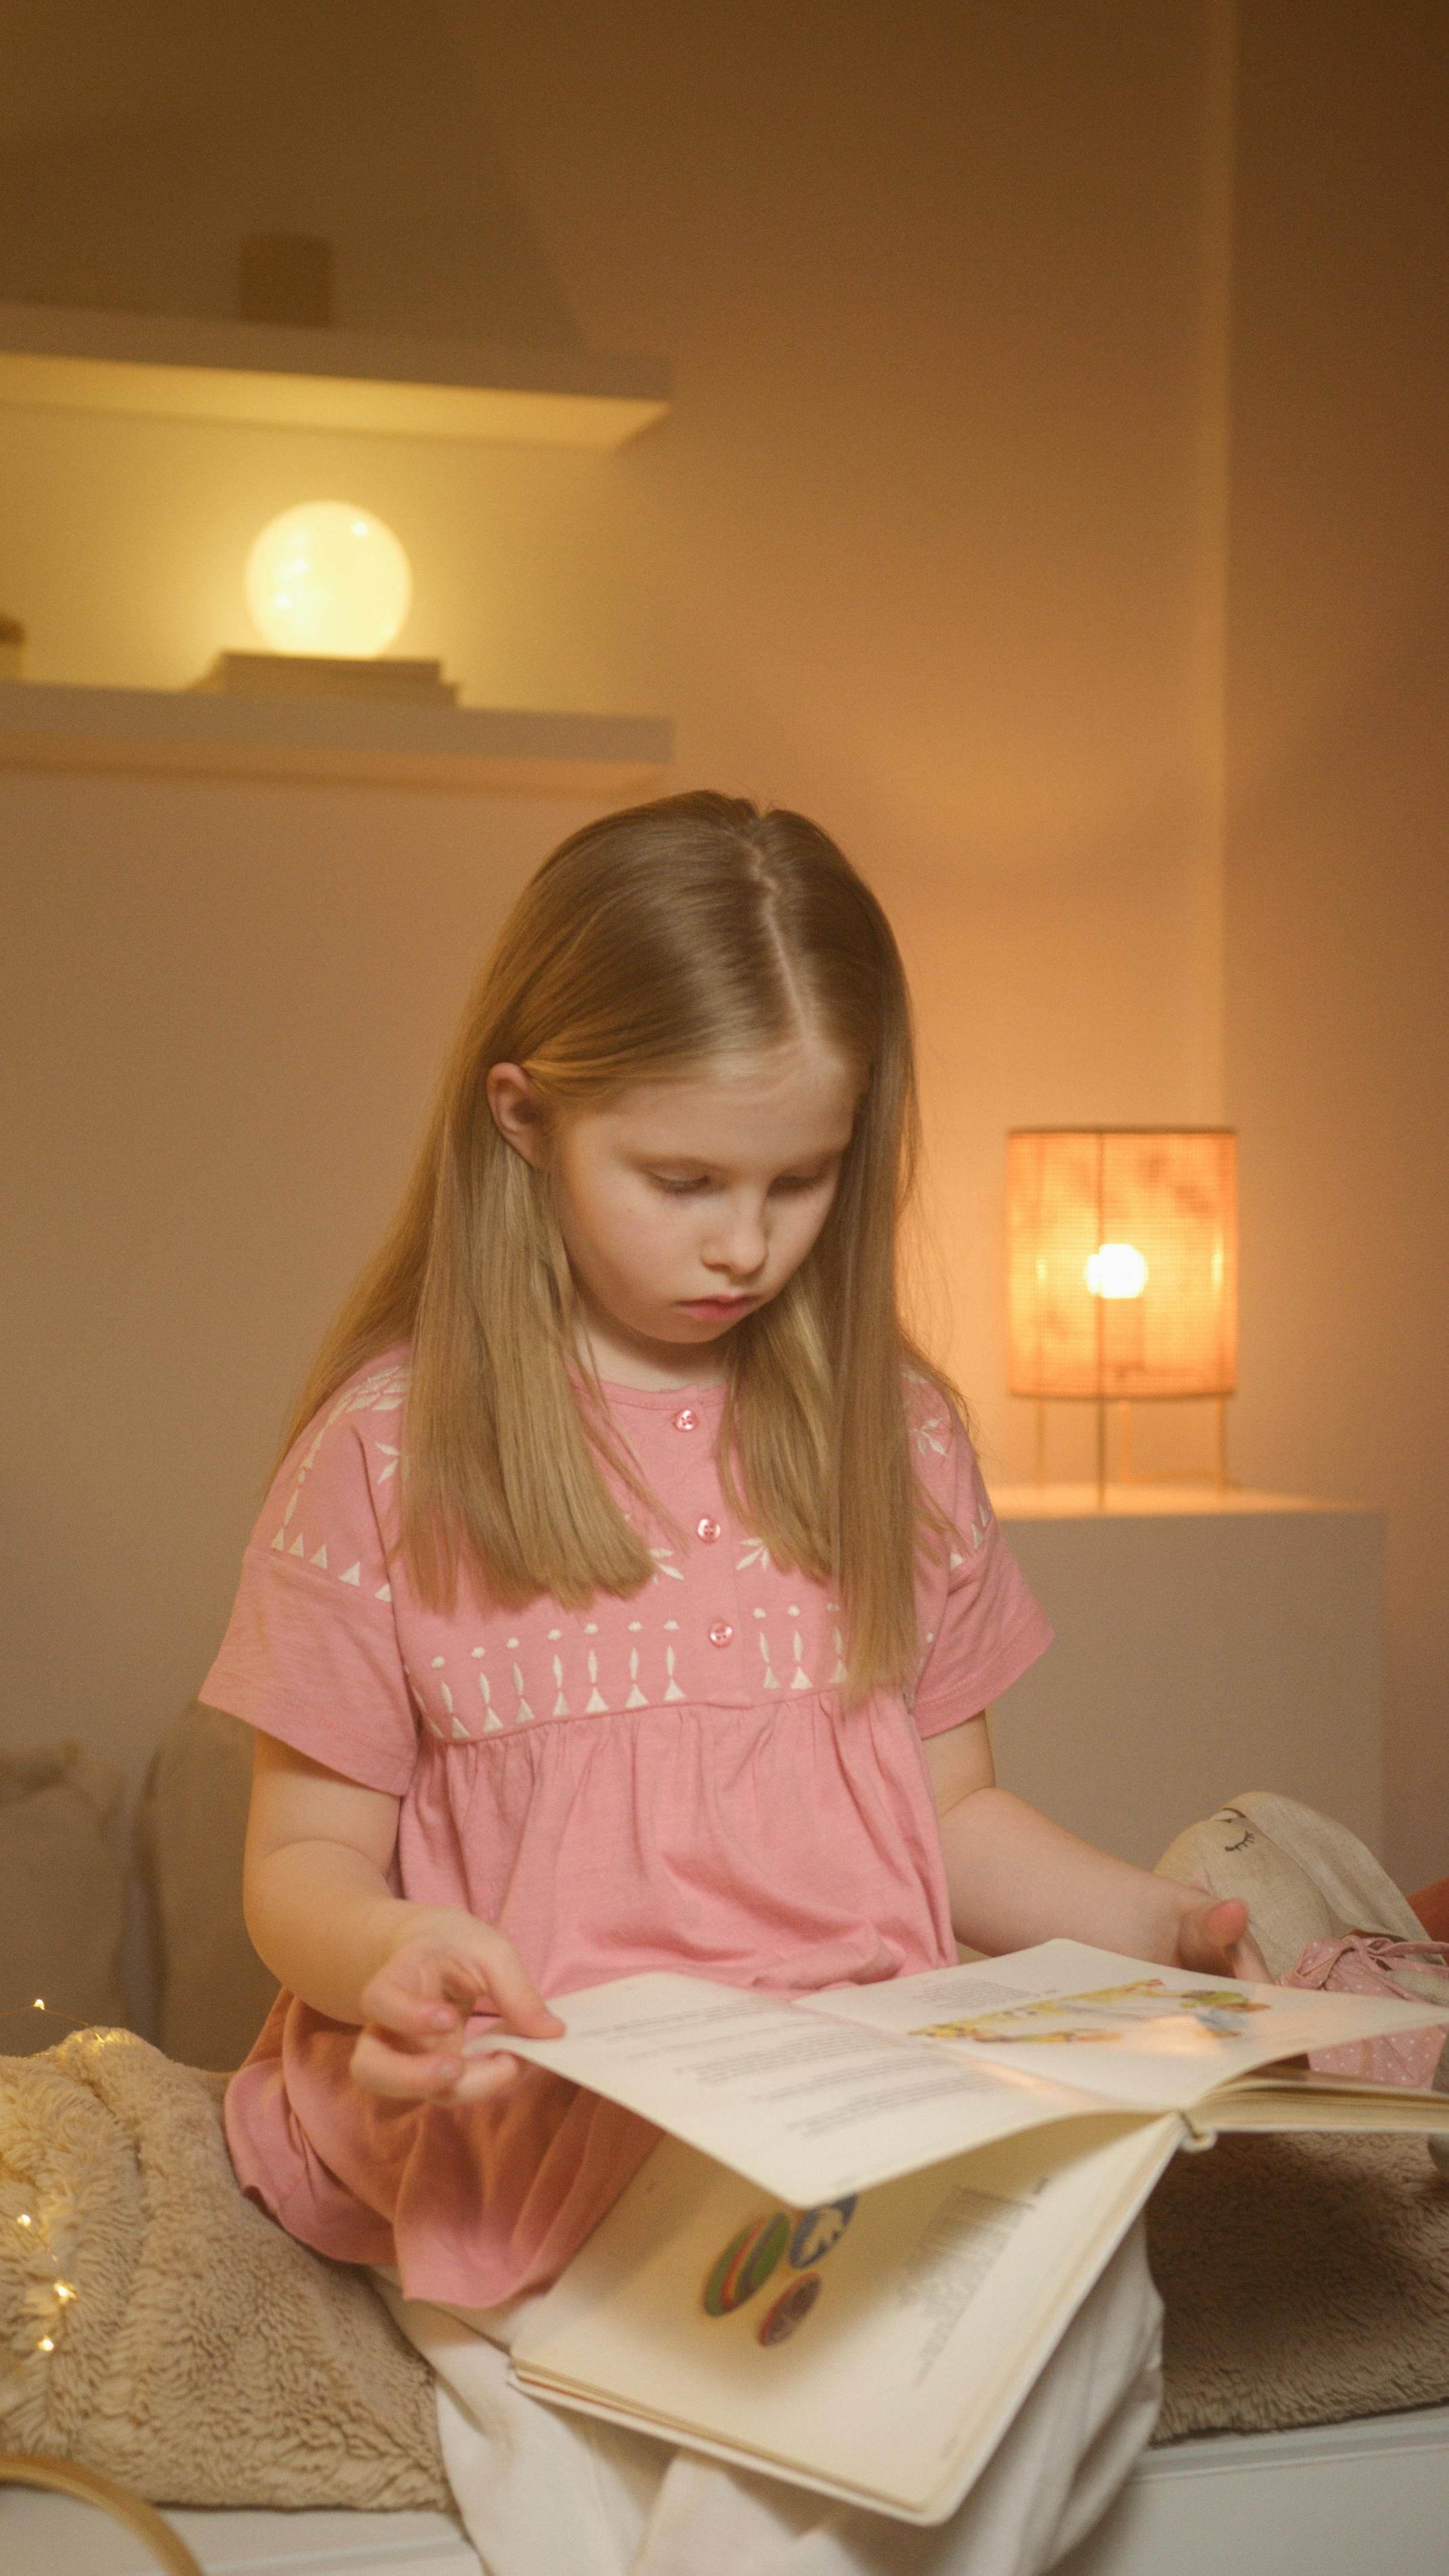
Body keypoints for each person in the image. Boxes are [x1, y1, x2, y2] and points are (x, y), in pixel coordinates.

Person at [202, 791, 1259, 2576]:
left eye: (801, 1178)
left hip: (850, 2092)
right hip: (549, 2099)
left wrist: (1146, 1922)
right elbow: (298, 1858)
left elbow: (958, 1812)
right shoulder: (389, 1452)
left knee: (1071, 2297)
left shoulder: (892, 1435)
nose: (744, 1242)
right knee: (707, 2411)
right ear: (525, 1118)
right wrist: (385, 1955)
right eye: (682, 1178)